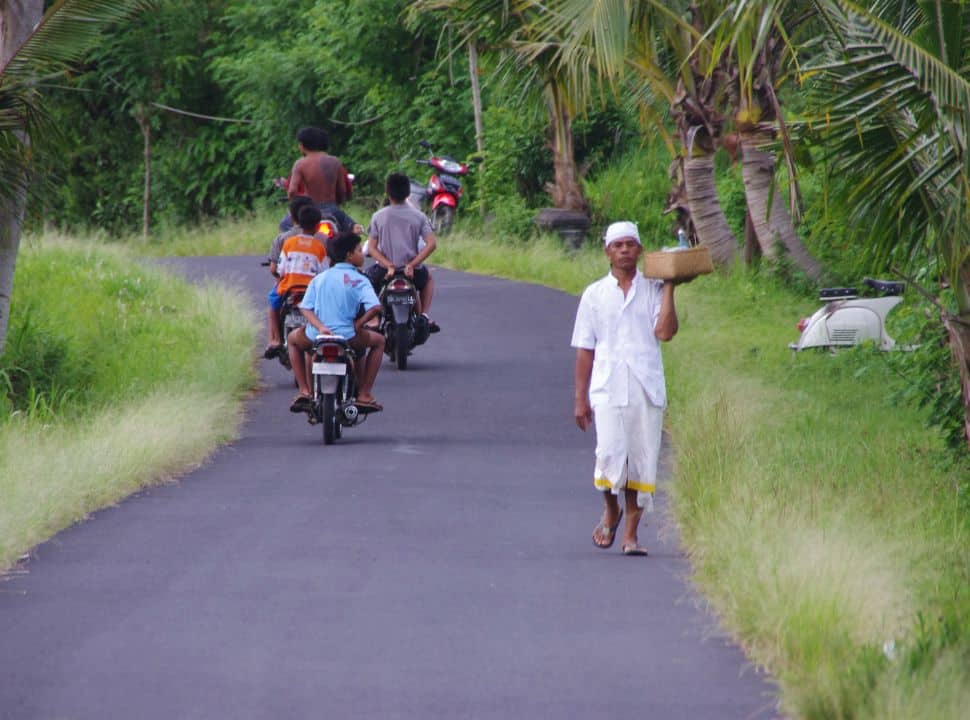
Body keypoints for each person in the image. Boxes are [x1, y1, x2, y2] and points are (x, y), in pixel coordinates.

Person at [571, 221, 680, 556]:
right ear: (607, 251)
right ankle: (611, 508)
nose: (624, 251)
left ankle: (631, 534)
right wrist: (580, 399)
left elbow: (665, 333)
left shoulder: (653, 288)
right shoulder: (594, 295)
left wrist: (670, 289)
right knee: (609, 453)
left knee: (641, 460)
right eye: (617, 245)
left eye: (630, 245)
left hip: (645, 387)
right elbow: (585, 349)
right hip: (607, 387)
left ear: (640, 250)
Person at [287, 231, 385, 415]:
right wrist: (358, 324)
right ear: (349, 255)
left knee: (292, 340)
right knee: (379, 342)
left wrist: (320, 327)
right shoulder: (360, 279)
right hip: (348, 336)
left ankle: (304, 391)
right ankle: (364, 394)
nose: (361, 253)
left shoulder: (319, 278)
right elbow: (375, 307)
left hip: (316, 336)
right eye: (358, 250)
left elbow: (305, 308)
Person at [365, 172, 439, 331]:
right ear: (408, 193)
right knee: (428, 280)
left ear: (388, 192)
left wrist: (388, 264)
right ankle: (424, 316)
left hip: (384, 271)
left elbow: (371, 247)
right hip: (412, 271)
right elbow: (432, 244)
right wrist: (412, 264)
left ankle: (374, 318)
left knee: (366, 281)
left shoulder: (378, 216)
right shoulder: (419, 216)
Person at [264, 205, 328, 358]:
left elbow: (280, 269)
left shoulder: (289, 242)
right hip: (310, 291)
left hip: (288, 289)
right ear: (318, 226)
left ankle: (275, 340)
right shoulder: (319, 246)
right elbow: (323, 273)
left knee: (273, 302)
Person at [286, 126, 357, 232]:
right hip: (333, 210)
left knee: (284, 225)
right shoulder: (335, 162)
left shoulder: (300, 164)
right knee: (355, 229)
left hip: (310, 211)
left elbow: (292, 191)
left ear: (302, 145)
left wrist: (297, 206)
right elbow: (342, 191)